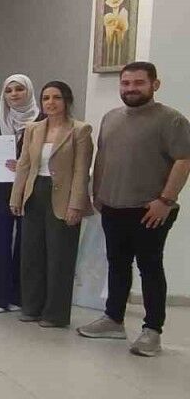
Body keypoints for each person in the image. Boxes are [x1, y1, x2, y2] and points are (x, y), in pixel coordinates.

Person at [78, 62, 190, 357]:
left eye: (138, 83)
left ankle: (152, 331)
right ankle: (113, 319)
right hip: (113, 205)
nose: (131, 89)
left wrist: (165, 200)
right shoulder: (111, 118)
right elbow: (103, 157)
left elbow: (183, 160)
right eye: (126, 83)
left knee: (150, 267)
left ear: (155, 84)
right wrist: (98, 193)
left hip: (150, 209)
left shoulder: (171, 120)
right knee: (117, 264)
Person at [10, 81, 92, 328]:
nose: (50, 102)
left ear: (67, 100)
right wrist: (16, 197)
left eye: (56, 97)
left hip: (63, 197)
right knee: (31, 254)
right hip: (35, 194)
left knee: (59, 257)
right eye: (46, 98)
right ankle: (31, 307)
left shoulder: (80, 130)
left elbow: (81, 171)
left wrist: (76, 205)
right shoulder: (33, 129)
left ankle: (55, 314)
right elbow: (24, 165)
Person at [0, 74, 35, 312]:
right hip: (0, 189)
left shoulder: (41, 120)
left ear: (29, 91)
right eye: (9, 90)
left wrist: (23, 164)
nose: (14, 94)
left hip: (29, 189)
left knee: (25, 243)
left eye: (19, 89)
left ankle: (18, 296)